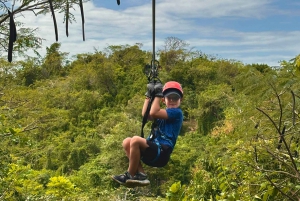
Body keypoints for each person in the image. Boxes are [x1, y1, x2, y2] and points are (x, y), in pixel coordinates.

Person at [112, 81, 184, 187]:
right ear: (164, 100)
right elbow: (146, 115)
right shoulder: (163, 114)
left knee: (136, 140)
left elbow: (153, 112)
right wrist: (148, 96)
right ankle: (141, 174)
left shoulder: (177, 113)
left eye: (175, 98)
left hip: (162, 153)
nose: (172, 100)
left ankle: (129, 175)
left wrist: (158, 95)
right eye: (169, 98)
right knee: (127, 142)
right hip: (154, 151)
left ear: (180, 100)